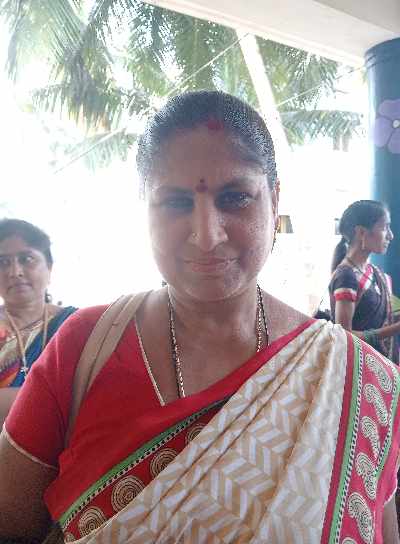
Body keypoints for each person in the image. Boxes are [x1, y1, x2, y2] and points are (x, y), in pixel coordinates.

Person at [0, 92, 399, 544]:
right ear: (144, 207)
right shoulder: (83, 348)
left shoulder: (357, 380)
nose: (207, 236)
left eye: (235, 197)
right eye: (175, 202)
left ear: (274, 199)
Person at [0, 219, 77, 426]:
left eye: (26, 259)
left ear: (49, 268)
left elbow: (89, 392)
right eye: (3, 263)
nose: (14, 272)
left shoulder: (76, 325)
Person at [329, 200, 400, 363]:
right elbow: (345, 335)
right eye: (385, 228)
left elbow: (387, 317)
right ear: (361, 232)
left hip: (384, 365)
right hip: (361, 369)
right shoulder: (346, 277)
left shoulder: (375, 273)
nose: (390, 236)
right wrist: (395, 329)